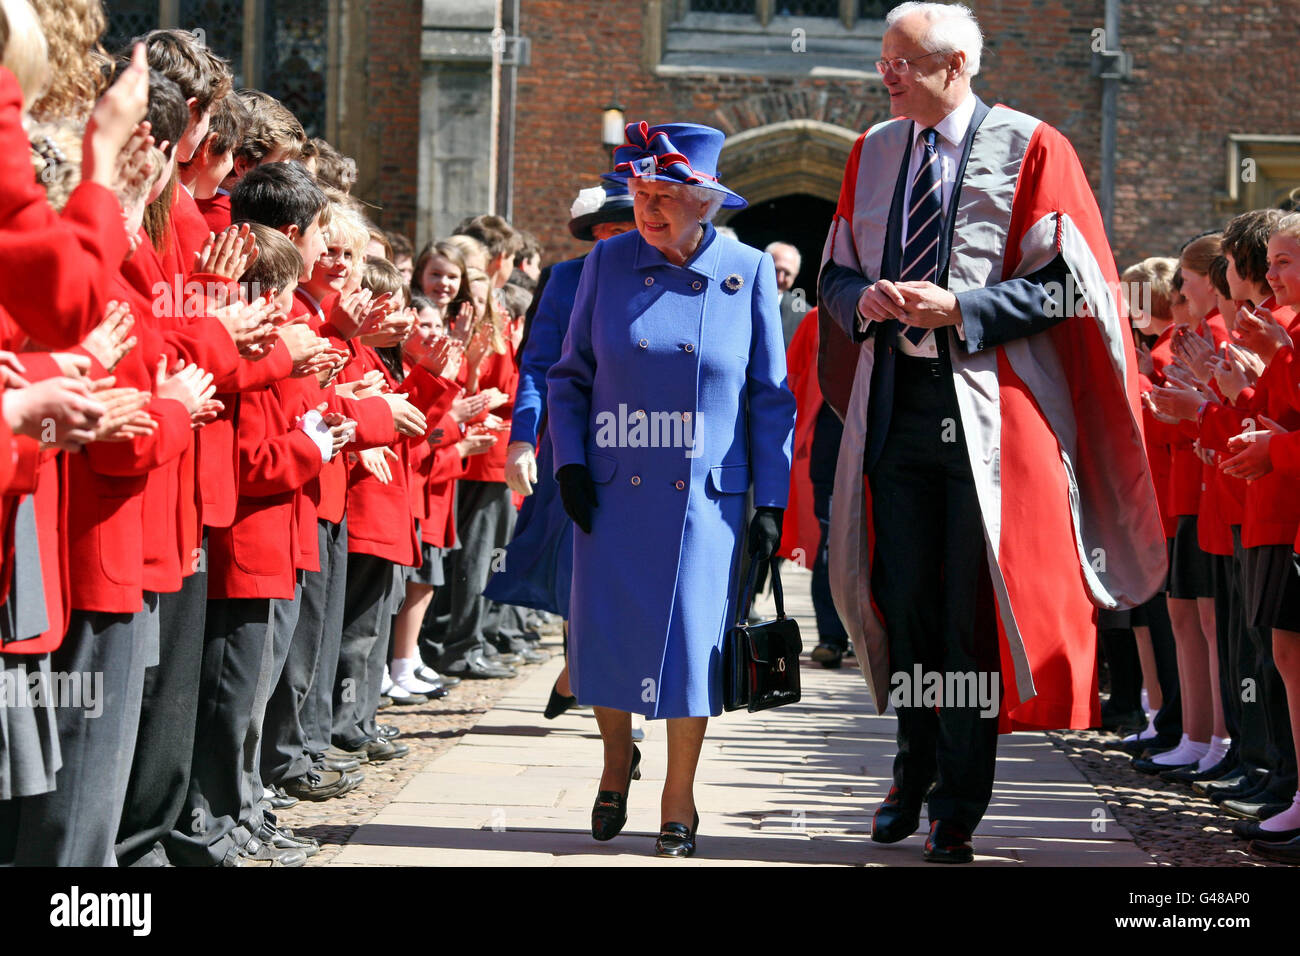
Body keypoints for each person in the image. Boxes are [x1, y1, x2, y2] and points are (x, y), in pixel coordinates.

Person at [817, 1, 1165, 863]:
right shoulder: (870, 151)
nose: (883, 73)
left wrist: (963, 306)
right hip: (895, 411)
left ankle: (957, 803)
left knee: (968, 616)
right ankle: (912, 762)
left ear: (957, 64)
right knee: (905, 604)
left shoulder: (1035, 147)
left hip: (984, 423)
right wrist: (857, 299)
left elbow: (1070, 289)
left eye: (901, 60)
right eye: (884, 59)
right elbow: (831, 272)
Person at [546, 120, 796, 857]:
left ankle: (679, 795)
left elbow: (770, 396)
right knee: (608, 634)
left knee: (692, 648)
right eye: (639, 194)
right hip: (612, 489)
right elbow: (569, 377)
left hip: (706, 504)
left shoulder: (746, 270)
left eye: (662, 198)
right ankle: (616, 761)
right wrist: (567, 463)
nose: (646, 211)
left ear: (705, 201)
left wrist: (772, 502)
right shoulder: (609, 263)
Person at [486, 181, 636, 717]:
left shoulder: (667, 277)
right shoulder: (567, 279)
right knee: (579, 570)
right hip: (573, 446)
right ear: (594, 234)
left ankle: (594, 679)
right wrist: (523, 439)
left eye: (629, 229)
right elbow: (538, 365)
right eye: (610, 231)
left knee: (632, 573)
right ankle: (590, 671)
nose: (619, 239)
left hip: (649, 447)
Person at [765, 240, 805, 349]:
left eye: (787, 273)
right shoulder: (741, 299)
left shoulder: (803, 315)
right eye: (775, 270)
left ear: (795, 276)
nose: (779, 278)